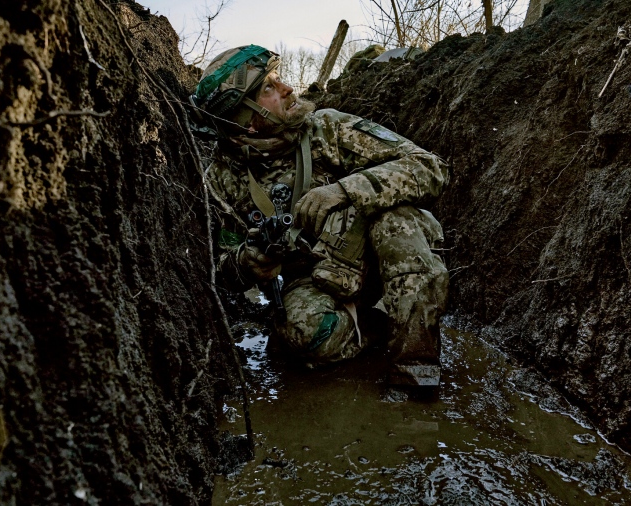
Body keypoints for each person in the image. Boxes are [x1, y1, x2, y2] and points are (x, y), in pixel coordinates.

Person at [190, 45, 449, 389]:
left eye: (278, 78)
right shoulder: (222, 179)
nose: (288, 89)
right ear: (246, 121)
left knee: (396, 222)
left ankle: (416, 369)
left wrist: (345, 190)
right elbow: (218, 270)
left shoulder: (326, 129)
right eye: (268, 88)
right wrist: (247, 262)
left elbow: (429, 167)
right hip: (315, 279)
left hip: (381, 256)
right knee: (301, 335)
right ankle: (378, 327)